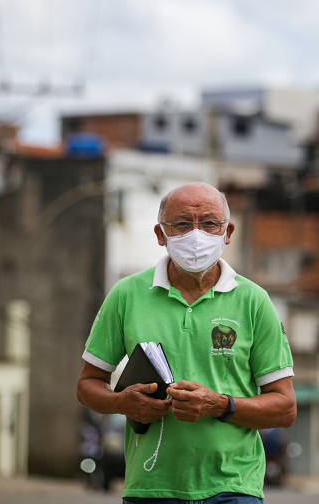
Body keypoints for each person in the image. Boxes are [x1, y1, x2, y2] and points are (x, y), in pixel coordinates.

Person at [77, 182, 296, 504]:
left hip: (233, 489)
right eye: (182, 224)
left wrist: (218, 404)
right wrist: (122, 403)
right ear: (160, 234)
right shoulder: (126, 295)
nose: (196, 235)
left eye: (209, 223)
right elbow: (87, 385)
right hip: (151, 488)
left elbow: (285, 408)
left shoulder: (254, 301)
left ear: (228, 232)